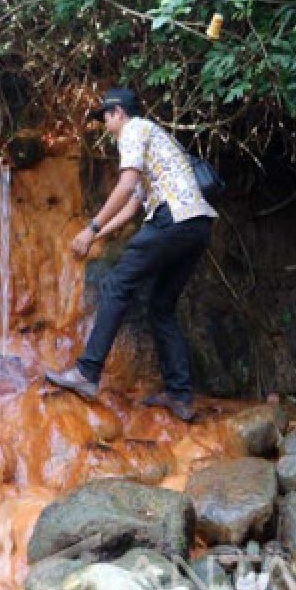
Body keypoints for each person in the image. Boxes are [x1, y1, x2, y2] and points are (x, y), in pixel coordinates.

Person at [45, 88, 217, 422]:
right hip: (198, 224)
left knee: (118, 283)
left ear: (118, 113)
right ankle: (181, 396)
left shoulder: (134, 130)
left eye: (105, 118)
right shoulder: (157, 138)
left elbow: (125, 187)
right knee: (161, 306)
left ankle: (87, 372)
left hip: (173, 218)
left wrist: (91, 228)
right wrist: (98, 236)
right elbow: (134, 204)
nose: (105, 126)